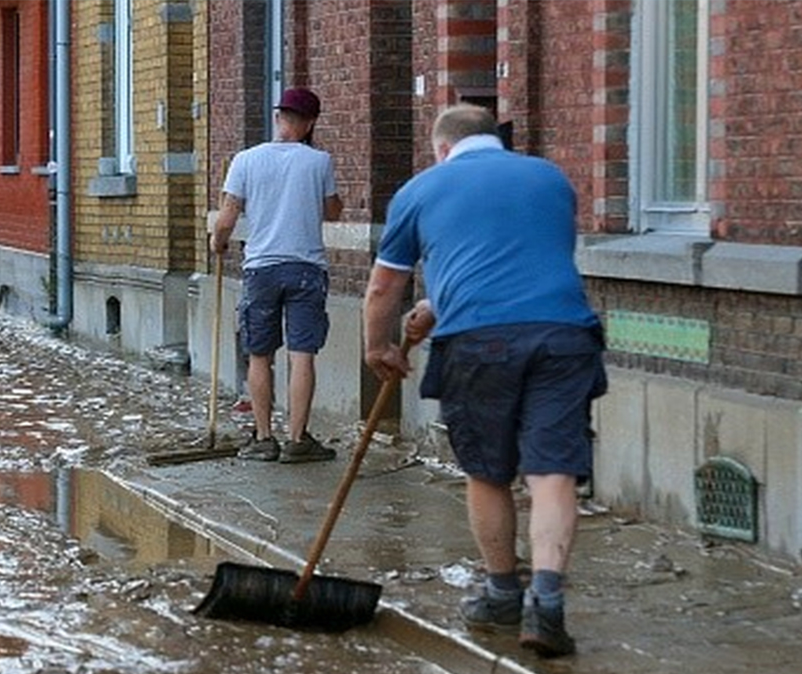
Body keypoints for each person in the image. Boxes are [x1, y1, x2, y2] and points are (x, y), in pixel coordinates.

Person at [361, 103, 606, 658]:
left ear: (442, 149)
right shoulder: (551, 178)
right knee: (552, 472)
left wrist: (378, 348)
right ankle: (547, 605)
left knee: (488, 471)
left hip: (479, 345)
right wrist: (437, 303)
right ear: (495, 141)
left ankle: (501, 593)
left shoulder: (422, 189)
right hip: (565, 337)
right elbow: (518, 265)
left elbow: (381, 288)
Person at [210, 87, 343, 463]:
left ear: (277, 118)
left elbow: (227, 217)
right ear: (310, 123)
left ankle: (265, 438)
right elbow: (333, 212)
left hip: (262, 269)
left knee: (259, 354)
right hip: (306, 269)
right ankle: (298, 440)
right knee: (302, 354)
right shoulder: (319, 162)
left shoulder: (246, 160)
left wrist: (218, 243)